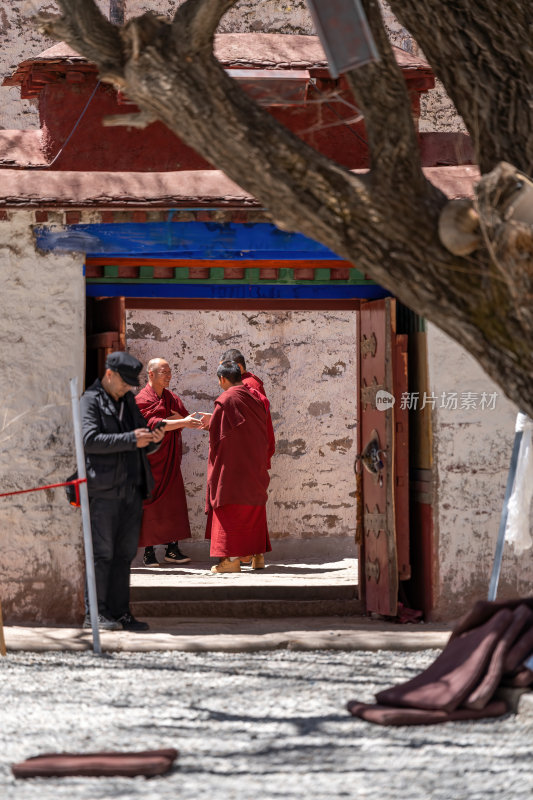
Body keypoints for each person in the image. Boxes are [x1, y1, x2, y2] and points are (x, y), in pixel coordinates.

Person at [80, 351, 165, 631]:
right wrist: (131, 439)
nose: (129, 388)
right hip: (103, 490)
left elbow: (140, 434)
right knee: (101, 554)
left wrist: (153, 439)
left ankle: (120, 613)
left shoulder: (127, 400)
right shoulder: (90, 400)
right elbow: (89, 440)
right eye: (124, 382)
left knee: (124, 554)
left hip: (131, 489)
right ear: (109, 375)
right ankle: (95, 613)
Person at [204, 361, 272, 574]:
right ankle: (257, 556)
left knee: (230, 508)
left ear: (223, 379)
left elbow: (217, 436)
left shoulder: (226, 398)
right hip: (254, 463)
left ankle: (231, 560)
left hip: (233, 467)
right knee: (253, 507)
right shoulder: (255, 396)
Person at [135, 358, 202, 566]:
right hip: (150, 461)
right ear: (151, 374)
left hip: (170, 460)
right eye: (164, 372)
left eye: (170, 372)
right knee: (149, 504)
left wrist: (178, 421)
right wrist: (178, 421)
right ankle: (148, 552)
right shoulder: (141, 400)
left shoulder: (171, 398)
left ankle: (172, 549)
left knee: (173, 503)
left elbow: (177, 419)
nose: (168, 376)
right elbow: (151, 425)